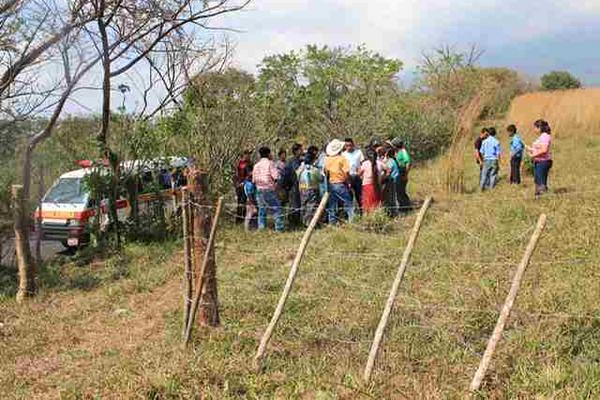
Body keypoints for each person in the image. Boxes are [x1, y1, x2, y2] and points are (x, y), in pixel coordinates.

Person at [252, 147, 284, 232]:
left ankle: (261, 228)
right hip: (269, 189)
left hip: (259, 189)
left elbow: (253, 180)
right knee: (276, 208)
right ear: (268, 154)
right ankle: (279, 228)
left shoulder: (256, 165)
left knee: (262, 209)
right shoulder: (270, 163)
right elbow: (276, 177)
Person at [324, 139, 354, 224]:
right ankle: (352, 220)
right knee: (348, 203)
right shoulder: (342, 159)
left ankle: (332, 222)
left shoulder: (328, 159)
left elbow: (325, 172)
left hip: (331, 184)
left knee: (332, 204)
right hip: (340, 183)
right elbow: (346, 172)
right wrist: (349, 182)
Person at [527, 119, 553, 197]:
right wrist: (530, 149)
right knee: (537, 181)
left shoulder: (545, 137)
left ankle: (543, 196)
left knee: (541, 182)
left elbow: (544, 150)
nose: (534, 130)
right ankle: (538, 196)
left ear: (539, 128)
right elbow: (538, 149)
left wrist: (533, 155)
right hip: (538, 161)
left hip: (543, 161)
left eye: (535, 128)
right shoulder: (541, 137)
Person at [296, 152, 323, 226]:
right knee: (312, 206)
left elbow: (297, 177)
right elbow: (321, 178)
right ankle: (311, 223)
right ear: (313, 160)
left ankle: (304, 222)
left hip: (302, 189)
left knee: (304, 205)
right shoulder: (314, 170)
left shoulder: (300, 169)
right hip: (313, 189)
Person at [360, 147, 387, 213]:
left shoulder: (365, 164)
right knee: (377, 201)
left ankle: (369, 215)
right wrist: (383, 177)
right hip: (377, 185)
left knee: (368, 203)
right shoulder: (379, 163)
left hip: (367, 185)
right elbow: (388, 170)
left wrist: (361, 176)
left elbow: (359, 173)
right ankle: (377, 214)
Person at [342, 138, 365, 216]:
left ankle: (362, 212)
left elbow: (362, 163)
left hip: (357, 176)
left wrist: (360, 173)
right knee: (349, 196)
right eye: (347, 145)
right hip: (348, 177)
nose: (349, 147)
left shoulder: (359, 152)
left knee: (359, 196)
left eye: (350, 145)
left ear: (353, 145)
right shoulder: (343, 154)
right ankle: (350, 215)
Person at [283, 143, 304, 227]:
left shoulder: (298, 160)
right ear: (296, 151)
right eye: (301, 149)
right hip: (293, 186)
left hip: (298, 186)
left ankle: (297, 222)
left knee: (297, 204)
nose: (302, 151)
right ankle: (293, 223)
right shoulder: (292, 161)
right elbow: (296, 172)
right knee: (294, 205)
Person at [393, 139, 412, 210]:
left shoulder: (403, 151)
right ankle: (403, 206)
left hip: (402, 172)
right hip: (399, 172)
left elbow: (408, 163)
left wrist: (406, 174)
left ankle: (406, 206)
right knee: (399, 191)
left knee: (401, 191)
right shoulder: (397, 152)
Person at [235, 150, 253, 224]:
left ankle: (244, 219)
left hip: (247, 185)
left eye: (249, 154)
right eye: (247, 154)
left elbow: (250, 175)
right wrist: (237, 184)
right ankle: (238, 220)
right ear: (244, 155)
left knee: (245, 202)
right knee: (240, 202)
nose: (249, 156)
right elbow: (236, 175)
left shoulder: (250, 164)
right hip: (239, 185)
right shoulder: (239, 163)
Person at [383, 146, 400, 217]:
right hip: (395, 180)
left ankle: (394, 212)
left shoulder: (390, 161)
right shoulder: (393, 160)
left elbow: (388, 171)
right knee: (393, 196)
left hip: (392, 181)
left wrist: (383, 178)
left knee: (392, 197)